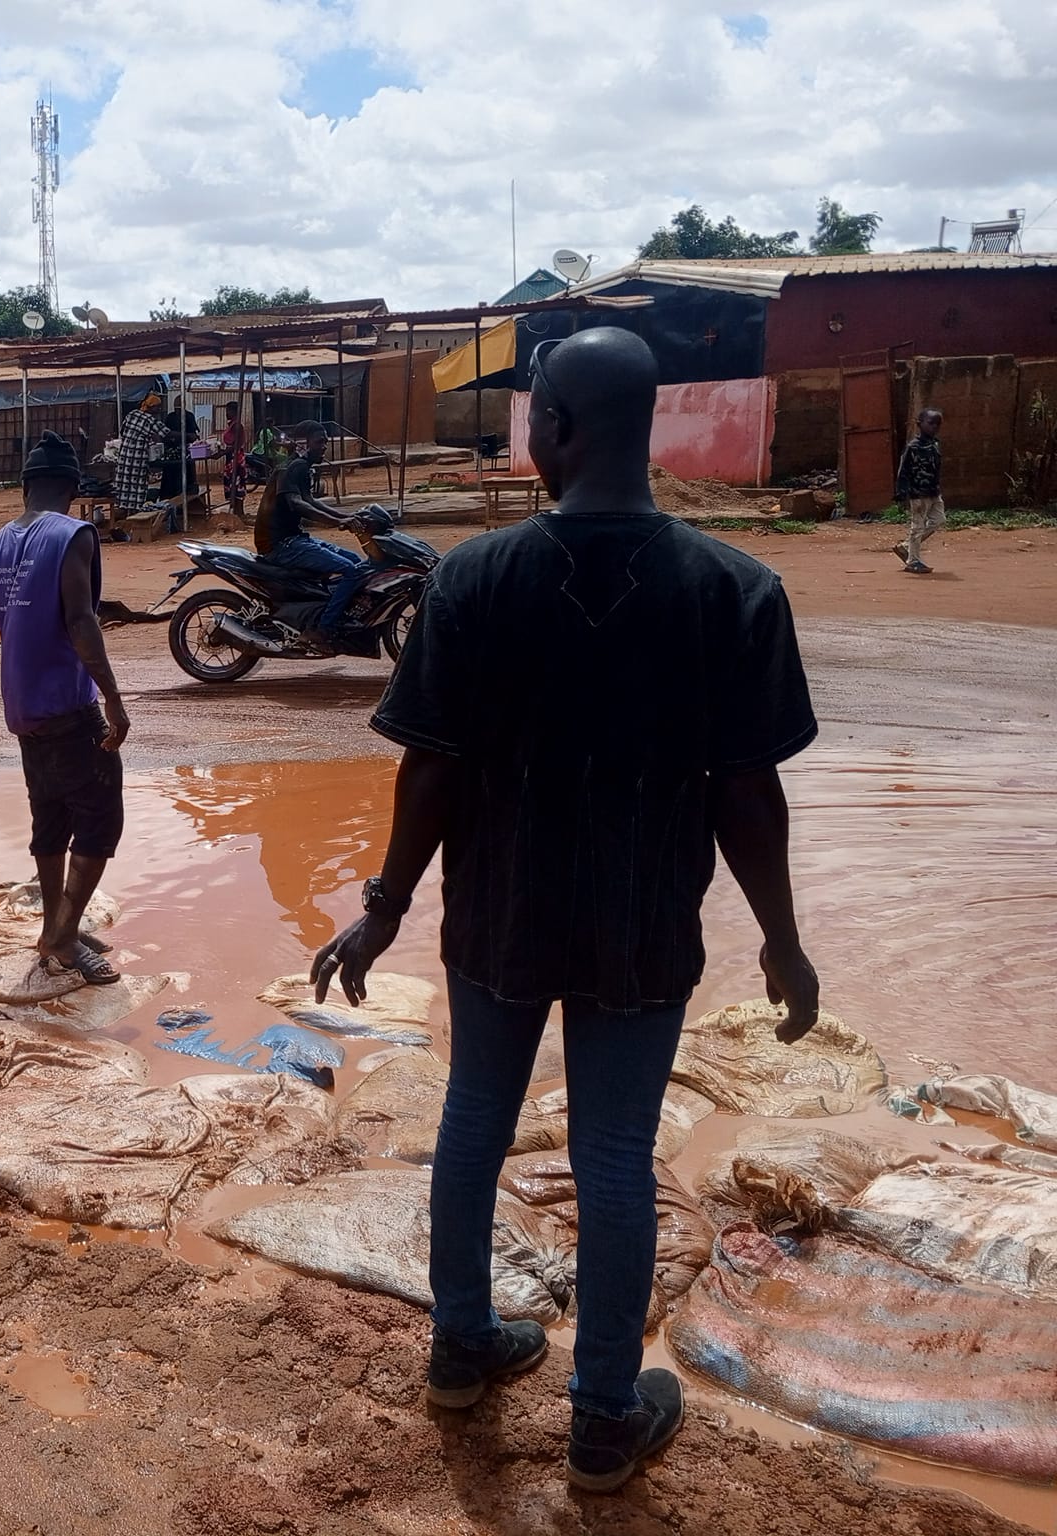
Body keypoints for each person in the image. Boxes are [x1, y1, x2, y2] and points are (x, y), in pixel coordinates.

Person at [310, 327, 820, 1494]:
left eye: (529, 414)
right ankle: (600, 1419)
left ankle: (459, 1348)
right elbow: (748, 792)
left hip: (498, 916)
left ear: (557, 428)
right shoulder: (734, 589)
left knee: (474, 1126)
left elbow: (427, 767)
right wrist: (783, 943)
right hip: (641, 927)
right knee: (610, 1157)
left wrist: (383, 908)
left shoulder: (475, 577)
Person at [0, 432, 129, 985]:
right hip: (69, 708)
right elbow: (81, 621)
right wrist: (112, 695)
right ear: (73, 489)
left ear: (24, 487)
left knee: (50, 817)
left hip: (22, 714)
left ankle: (56, 924)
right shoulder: (73, 534)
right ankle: (62, 936)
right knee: (101, 817)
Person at [266, 421, 371, 639]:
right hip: (283, 545)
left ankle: (328, 608)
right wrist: (336, 522)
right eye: (319, 442)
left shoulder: (302, 467)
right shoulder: (292, 468)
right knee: (350, 571)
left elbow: (310, 500)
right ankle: (323, 628)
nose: (324, 447)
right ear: (304, 444)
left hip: (296, 539)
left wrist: (346, 516)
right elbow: (298, 504)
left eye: (325, 441)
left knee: (356, 561)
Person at [894, 407, 945, 575]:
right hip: (918, 492)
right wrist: (902, 492)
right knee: (917, 527)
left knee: (939, 520)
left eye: (937, 424)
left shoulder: (935, 444)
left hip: (933, 491)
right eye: (930, 423)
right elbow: (903, 470)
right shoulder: (913, 447)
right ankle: (913, 561)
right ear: (919, 424)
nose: (934, 427)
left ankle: (906, 547)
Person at [113, 391, 169, 519]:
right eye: (157, 407)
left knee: (124, 486)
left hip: (123, 457)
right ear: (151, 407)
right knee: (137, 487)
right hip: (137, 459)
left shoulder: (132, 414)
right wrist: (187, 436)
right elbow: (166, 433)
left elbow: (122, 431)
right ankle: (135, 515)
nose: (159, 410)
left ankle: (124, 513)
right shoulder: (149, 420)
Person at [219, 403, 249, 517]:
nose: (227, 413)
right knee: (233, 484)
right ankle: (237, 513)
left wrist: (222, 452)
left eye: (229, 411)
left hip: (235, 458)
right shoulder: (232, 425)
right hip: (231, 457)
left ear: (235, 411)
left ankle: (240, 513)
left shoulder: (237, 426)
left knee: (237, 484)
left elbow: (236, 445)